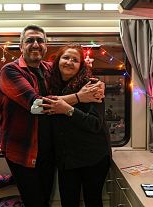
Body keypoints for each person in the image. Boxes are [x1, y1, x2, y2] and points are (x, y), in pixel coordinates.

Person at [0, 25, 104, 207]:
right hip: (24, 151)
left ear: (46, 46)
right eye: (30, 40)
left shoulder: (48, 69)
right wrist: (79, 97)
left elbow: (74, 71)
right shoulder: (10, 71)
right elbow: (36, 105)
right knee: (36, 203)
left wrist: (97, 84)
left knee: (46, 199)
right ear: (21, 46)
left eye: (40, 40)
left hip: (48, 152)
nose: (35, 44)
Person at [41, 45, 111, 207]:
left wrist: (69, 110)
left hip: (93, 156)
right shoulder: (51, 85)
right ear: (58, 62)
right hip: (66, 158)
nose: (69, 62)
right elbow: (43, 105)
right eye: (66, 58)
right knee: (68, 202)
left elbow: (95, 124)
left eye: (75, 60)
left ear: (81, 66)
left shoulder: (92, 86)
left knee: (93, 201)